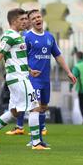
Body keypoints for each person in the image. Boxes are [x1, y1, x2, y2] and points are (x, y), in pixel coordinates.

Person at [0, 8, 50, 150]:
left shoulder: (18, 36)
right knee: (35, 107)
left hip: (20, 77)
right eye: (22, 19)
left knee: (15, 112)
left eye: (26, 19)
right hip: (18, 79)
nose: (26, 22)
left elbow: (15, 58)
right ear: (13, 21)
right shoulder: (9, 36)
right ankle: (36, 143)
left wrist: (30, 70)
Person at [11, 9, 76, 145]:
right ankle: (34, 140)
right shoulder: (27, 37)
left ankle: (39, 137)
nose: (37, 19)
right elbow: (21, 58)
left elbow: (58, 56)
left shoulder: (49, 37)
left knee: (44, 107)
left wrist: (68, 72)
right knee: (36, 106)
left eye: (38, 17)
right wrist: (28, 70)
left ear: (42, 18)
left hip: (46, 79)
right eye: (33, 18)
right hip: (33, 79)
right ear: (30, 22)